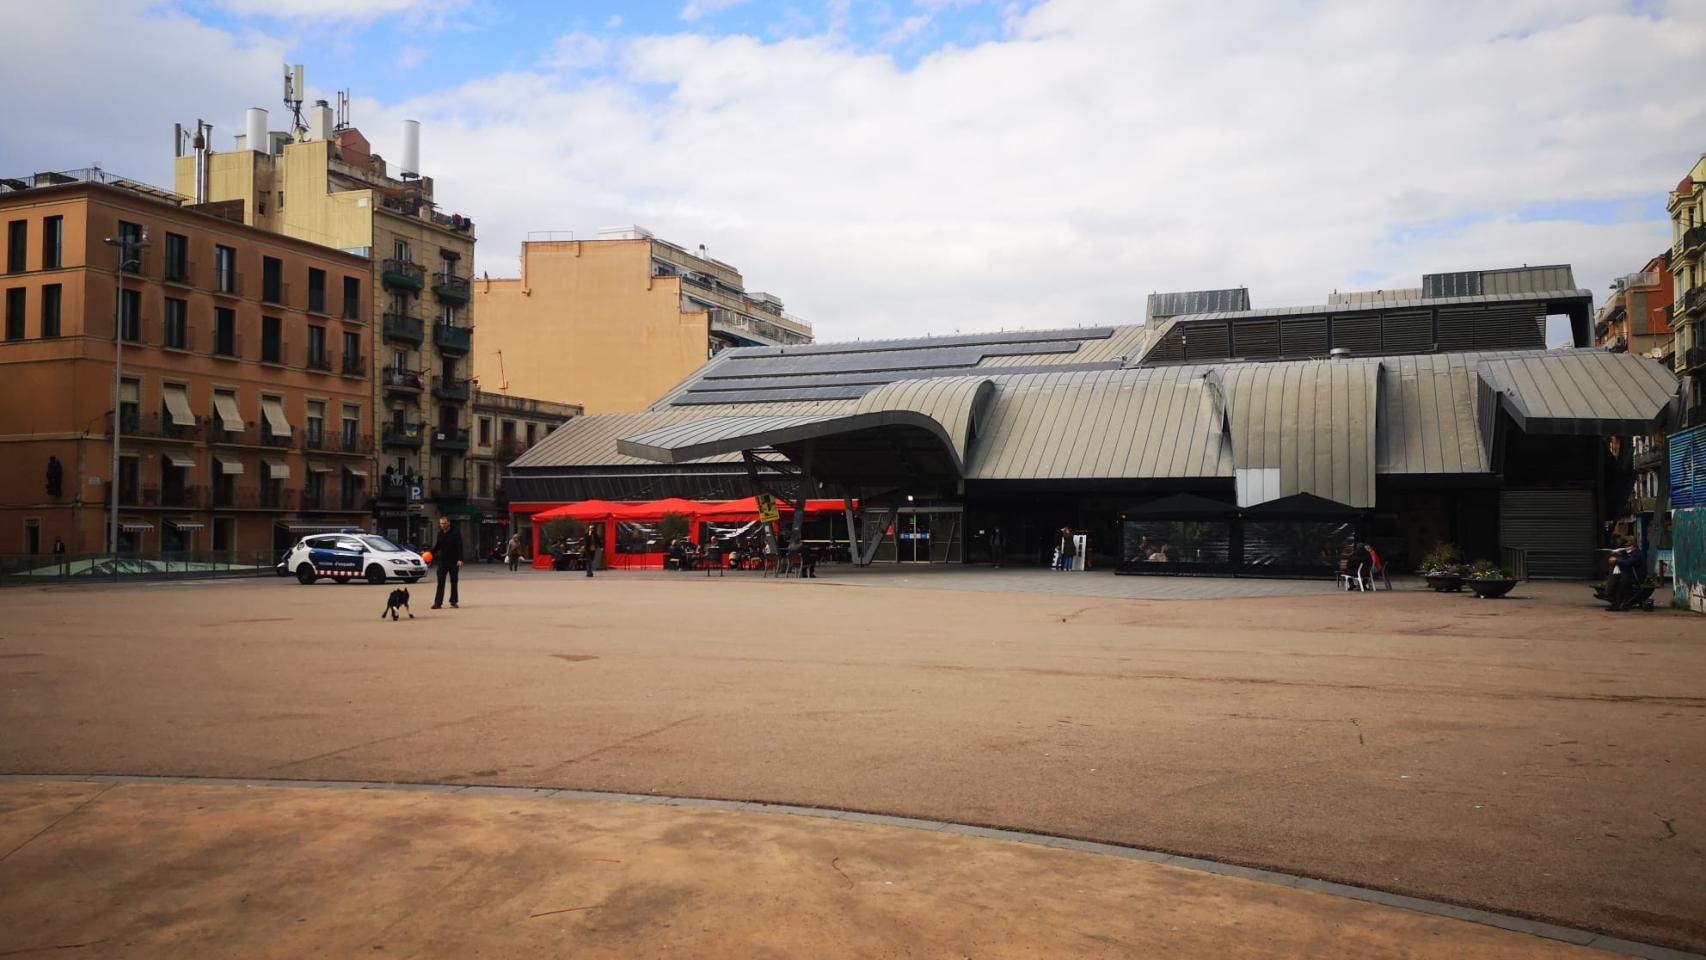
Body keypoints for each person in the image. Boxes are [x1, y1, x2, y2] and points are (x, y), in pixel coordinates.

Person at [430, 516, 464, 609]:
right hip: (442, 561)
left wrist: (460, 559)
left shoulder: (455, 532)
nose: (443, 525)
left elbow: (459, 546)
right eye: (441, 523)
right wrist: (430, 553)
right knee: (440, 582)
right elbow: (437, 546)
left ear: (448, 523)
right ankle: (438, 603)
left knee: (454, 582)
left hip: (454, 561)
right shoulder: (440, 533)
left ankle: (453, 601)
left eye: (444, 523)